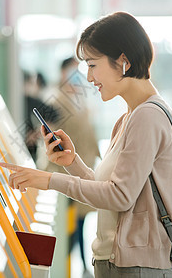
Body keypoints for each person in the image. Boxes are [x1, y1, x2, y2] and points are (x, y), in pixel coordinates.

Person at [0, 12, 172, 278]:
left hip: (138, 269)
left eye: (93, 65)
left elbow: (119, 197)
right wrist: (72, 163)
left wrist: (50, 179)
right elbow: (109, 189)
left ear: (123, 62)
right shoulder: (129, 117)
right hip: (122, 265)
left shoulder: (148, 116)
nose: (88, 77)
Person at [43, 57, 100, 276]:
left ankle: (82, 265)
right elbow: (52, 136)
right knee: (71, 223)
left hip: (83, 165)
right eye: (72, 70)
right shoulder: (57, 99)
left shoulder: (79, 97)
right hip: (66, 170)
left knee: (80, 222)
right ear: (62, 72)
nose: (77, 75)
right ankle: (75, 265)